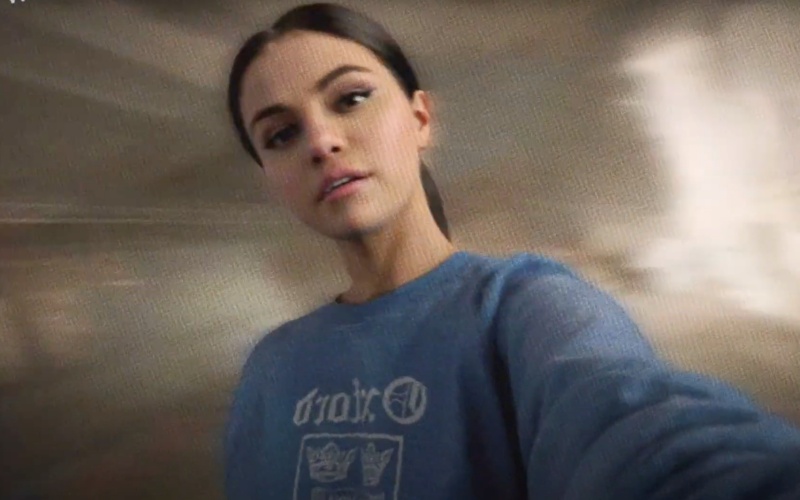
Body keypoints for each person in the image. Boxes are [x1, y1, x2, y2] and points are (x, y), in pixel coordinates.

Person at [223, 3, 800, 499]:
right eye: (281, 135)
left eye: (350, 99)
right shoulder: (271, 368)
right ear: (270, 175)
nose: (321, 141)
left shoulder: (526, 308)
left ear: (420, 118)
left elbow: (636, 428)